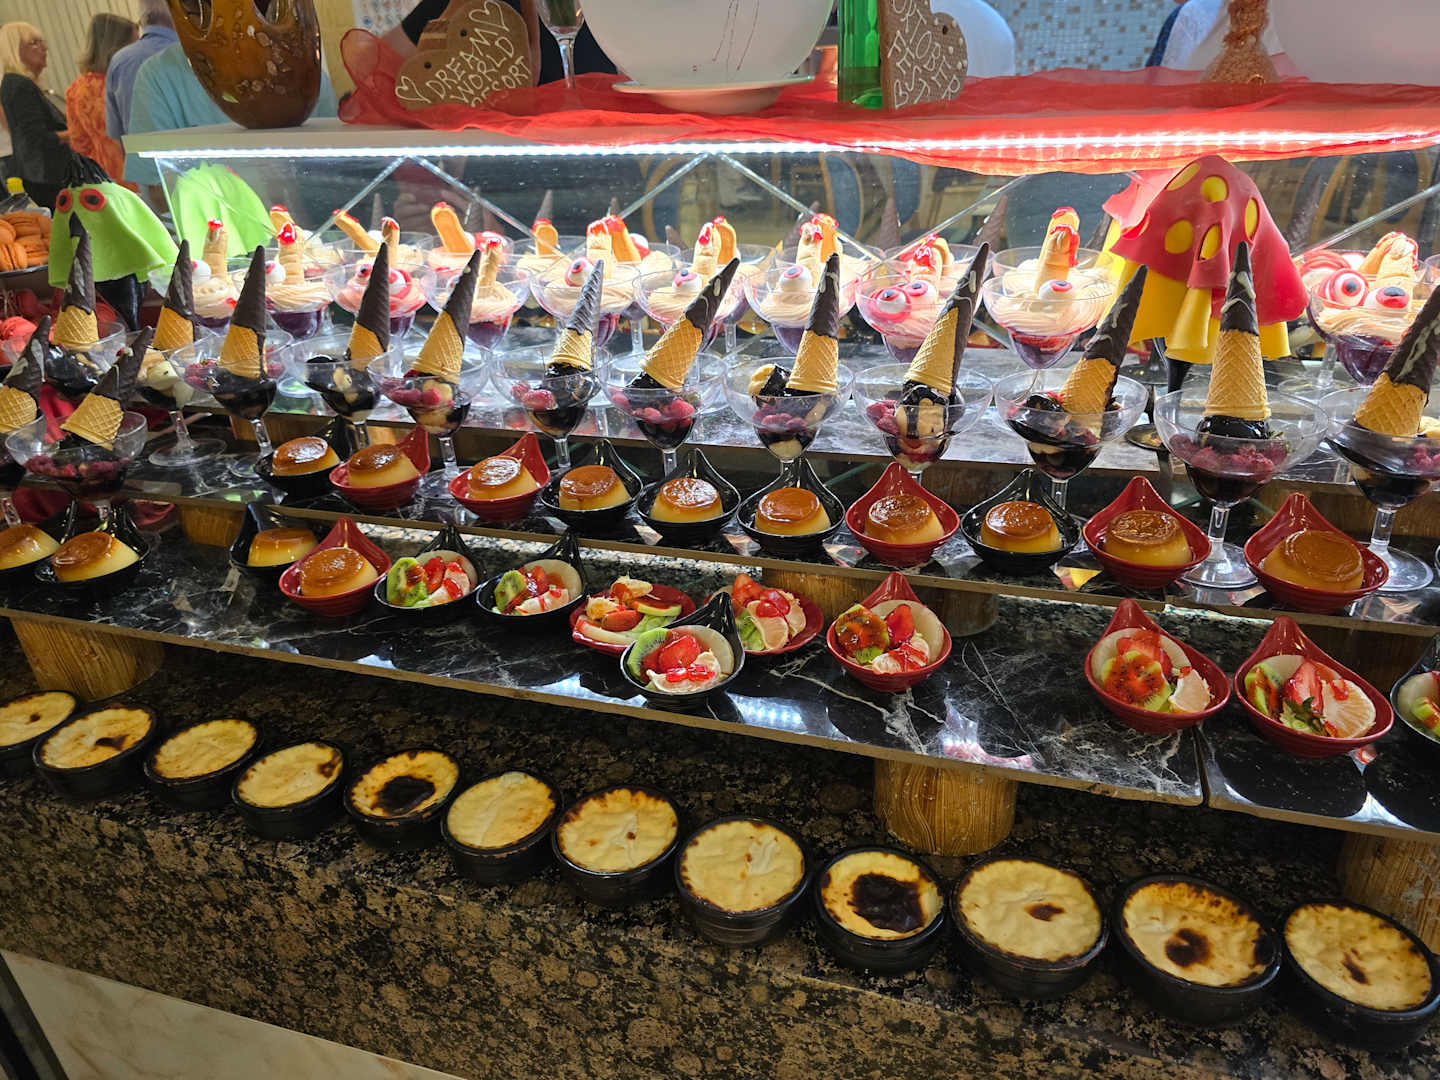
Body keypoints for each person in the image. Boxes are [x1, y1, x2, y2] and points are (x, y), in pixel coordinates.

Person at [0, 23, 70, 210]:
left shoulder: (14, 83)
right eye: (34, 43)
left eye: (42, 41)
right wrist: (74, 133)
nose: (44, 47)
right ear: (15, 50)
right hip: (47, 175)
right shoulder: (19, 85)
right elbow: (35, 137)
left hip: (40, 174)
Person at [67, 14, 137, 186]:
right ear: (117, 48)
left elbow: (79, 145)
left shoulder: (75, 89)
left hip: (105, 178)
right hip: (138, 174)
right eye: (134, 44)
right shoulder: (124, 83)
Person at [106, 0, 177, 151]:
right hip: (205, 162)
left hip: (143, 160)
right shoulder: (193, 54)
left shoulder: (119, 61)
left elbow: (118, 137)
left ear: (143, 17)